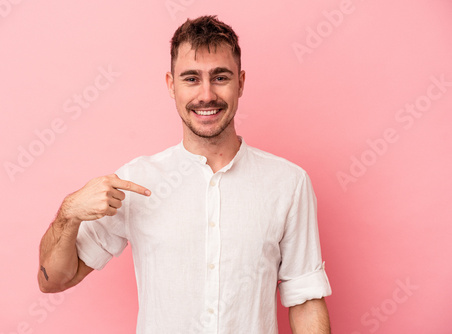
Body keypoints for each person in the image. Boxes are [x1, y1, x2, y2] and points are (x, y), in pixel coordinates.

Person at [38, 15, 332, 333]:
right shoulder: (135, 182)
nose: (206, 94)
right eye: (191, 79)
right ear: (171, 84)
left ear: (241, 82)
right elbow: (54, 280)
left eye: (220, 77)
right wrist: (68, 214)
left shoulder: (288, 183)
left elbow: (305, 299)